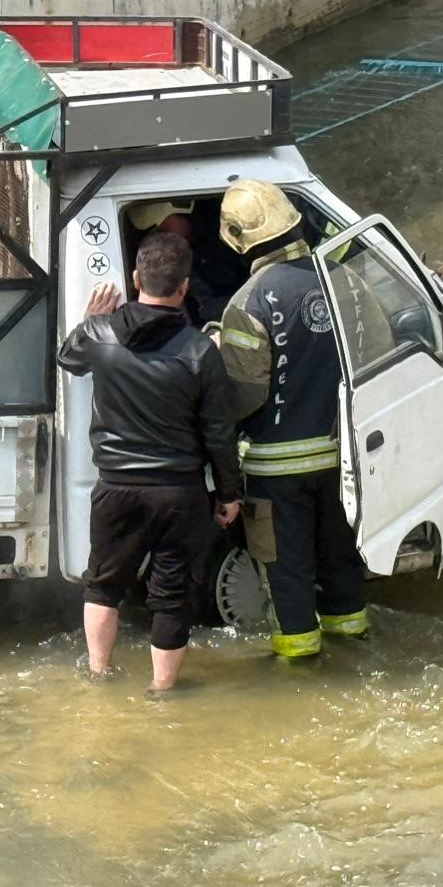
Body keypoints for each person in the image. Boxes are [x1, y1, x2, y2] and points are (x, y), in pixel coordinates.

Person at [56, 232, 242, 693]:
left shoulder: (100, 335)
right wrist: (228, 493)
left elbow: (68, 357)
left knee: (102, 585)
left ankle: (98, 676)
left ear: (136, 278)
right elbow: (219, 433)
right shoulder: (201, 351)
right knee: (171, 596)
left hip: (116, 487)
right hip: (180, 492)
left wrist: (89, 320)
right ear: (183, 289)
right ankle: (162, 692)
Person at [213, 180, 370, 659]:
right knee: (342, 560)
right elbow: (374, 360)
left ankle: (299, 672)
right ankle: (354, 644)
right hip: (346, 463)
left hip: (275, 475)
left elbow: (244, 394)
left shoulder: (247, 303)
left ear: (238, 239)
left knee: (288, 572)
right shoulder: (346, 280)